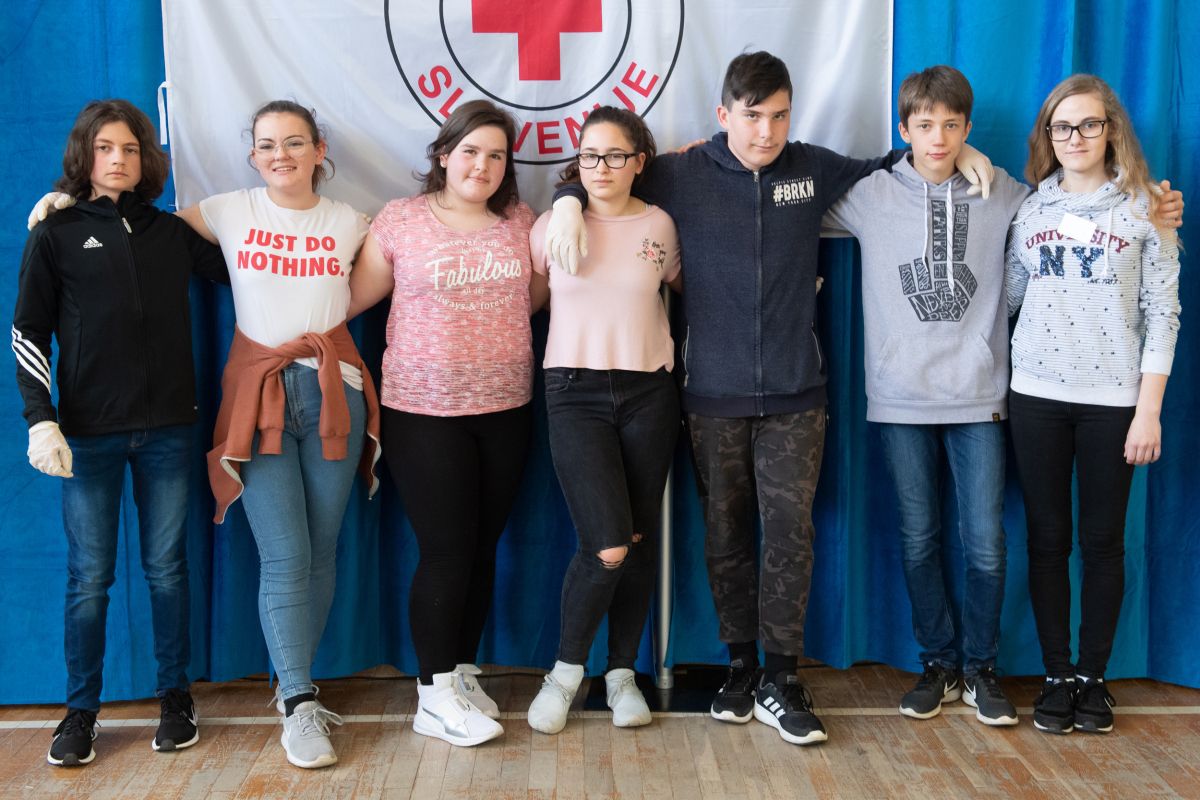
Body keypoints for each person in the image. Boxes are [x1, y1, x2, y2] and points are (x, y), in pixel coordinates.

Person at [544, 51, 993, 746]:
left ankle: (783, 677)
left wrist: (965, 156)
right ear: (724, 115)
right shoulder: (681, 173)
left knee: (790, 535)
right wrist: (567, 201)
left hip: (795, 395)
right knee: (725, 537)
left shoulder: (812, 167)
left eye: (780, 116)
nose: (766, 131)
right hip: (709, 395)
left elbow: (898, 165)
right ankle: (740, 668)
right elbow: (604, 172)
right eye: (752, 116)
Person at [13, 99, 228, 766]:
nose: (118, 159)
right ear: (85, 155)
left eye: (130, 149)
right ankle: (80, 712)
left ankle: (176, 700)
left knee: (167, 570)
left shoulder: (169, 233)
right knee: (89, 578)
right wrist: (40, 418)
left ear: (146, 159)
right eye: (105, 148)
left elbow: (242, 265)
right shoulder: (55, 232)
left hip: (168, 430)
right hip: (87, 434)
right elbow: (28, 332)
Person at [822, 66, 1032, 726]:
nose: (938, 138)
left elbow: (1064, 210)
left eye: (951, 126)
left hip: (979, 395)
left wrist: (1152, 208)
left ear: (968, 129)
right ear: (903, 129)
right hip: (900, 396)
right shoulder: (872, 194)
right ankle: (938, 662)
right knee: (919, 538)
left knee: (986, 542)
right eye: (924, 125)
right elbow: (791, 198)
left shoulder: (1001, 191)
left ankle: (981, 669)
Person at [348, 99, 548, 747]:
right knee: (446, 552)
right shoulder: (400, 220)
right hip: (424, 413)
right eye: (470, 151)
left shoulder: (521, 222)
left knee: (483, 549)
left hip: (507, 409)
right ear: (443, 154)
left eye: (496, 155)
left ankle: (459, 672)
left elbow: (532, 301)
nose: (482, 165)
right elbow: (349, 299)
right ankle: (432, 698)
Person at [1005, 74, 1181, 735]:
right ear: (1047, 137)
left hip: (1113, 401)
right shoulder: (1031, 209)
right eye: (1062, 127)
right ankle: (1055, 675)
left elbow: (1163, 313)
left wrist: (1148, 409)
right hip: (1036, 395)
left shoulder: (1148, 208)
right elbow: (1009, 298)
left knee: (1103, 542)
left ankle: (1093, 679)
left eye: (1088, 124)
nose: (1074, 137)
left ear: (1111, 131)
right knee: (1047, 540)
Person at [524, 107, 682, 735]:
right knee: (607, 544)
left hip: (649, 392)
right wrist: (565, 203)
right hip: (573, 392)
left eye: (616, 155)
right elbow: (526, 302)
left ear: (639, 161)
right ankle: (565, 676)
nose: (601, 167)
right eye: (589, 155)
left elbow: (695, 287)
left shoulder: (661, 224)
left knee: (637, 542)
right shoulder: (552, 225)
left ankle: (621, 675)